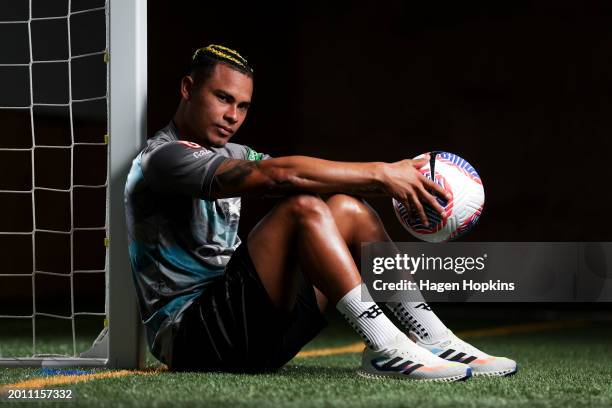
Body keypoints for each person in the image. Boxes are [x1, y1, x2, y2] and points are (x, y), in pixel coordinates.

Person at [125, 44, 517, 380]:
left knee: (348, 209)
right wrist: (381, 173)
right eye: (223, 98)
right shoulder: (163, 158)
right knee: (301, 209)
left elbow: (306, 177)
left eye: (243, 106)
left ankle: (434, 337)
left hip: (255, 335)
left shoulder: (232, 153)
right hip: (192, 339)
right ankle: (387, 345)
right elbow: (279, 176)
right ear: (188, 88)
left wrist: (398, 179)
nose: (234, 116)